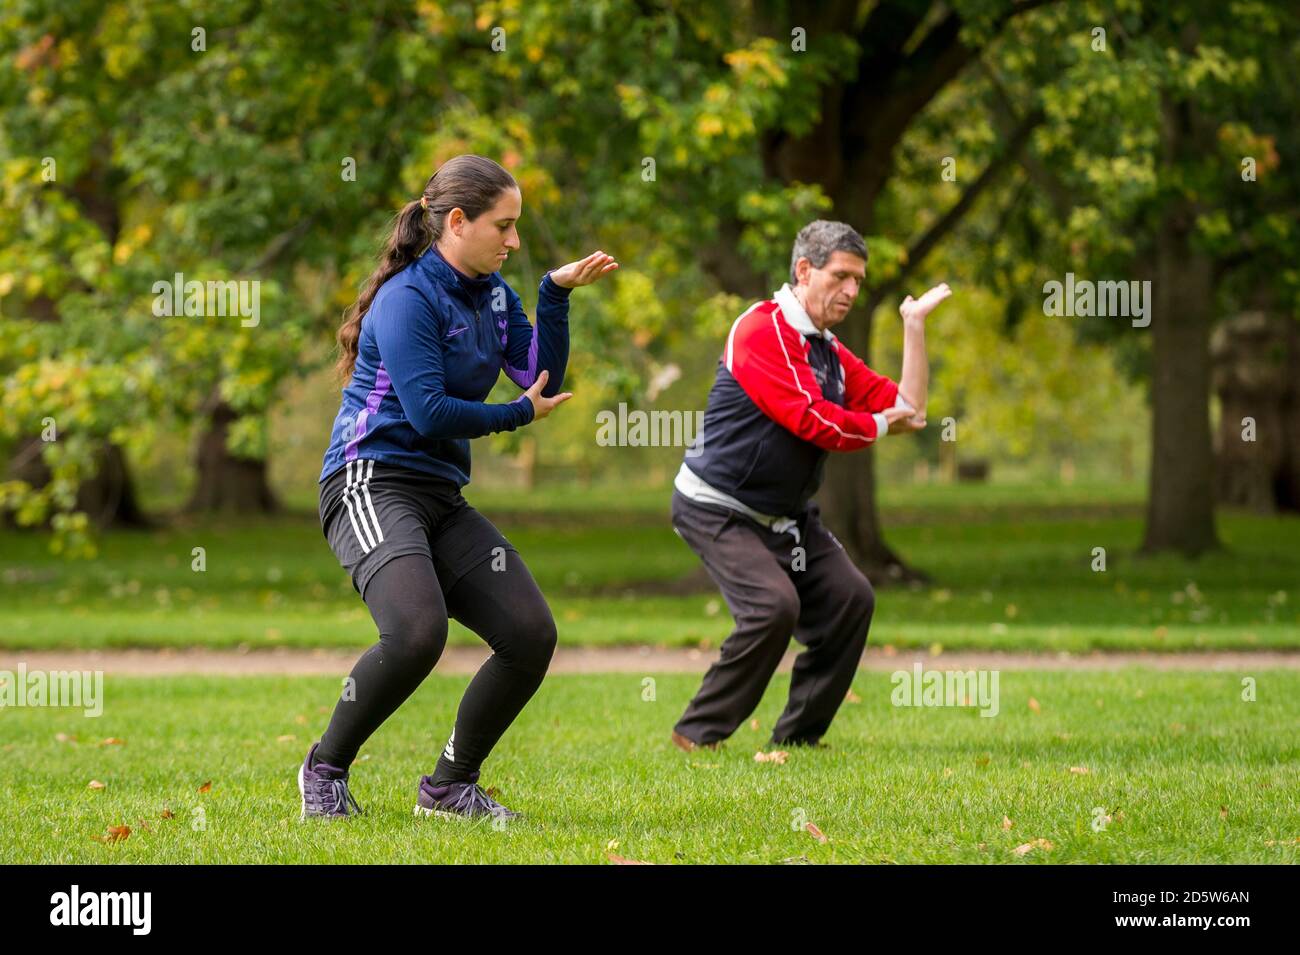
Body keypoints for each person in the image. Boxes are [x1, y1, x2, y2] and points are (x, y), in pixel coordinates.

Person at [299, 154, 617, 820]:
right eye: (504, 226)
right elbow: (429, 411)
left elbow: (540, 374)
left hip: (438, 493)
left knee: (530, 632)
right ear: (457, 221)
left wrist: (553, 295)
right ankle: (324, 770)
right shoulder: (408, 299)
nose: (515, 241)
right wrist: (518, 414)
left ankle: (448, 786)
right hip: (368, 479)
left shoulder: (495, 296)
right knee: (417, 632)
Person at [669, 219, 949, 751]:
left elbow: (910, 408)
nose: (850, 291)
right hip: (717, 507)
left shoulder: (828, 351)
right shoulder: (761, 330)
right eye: (840, 276)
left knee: (851, 599)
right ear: (804, 270)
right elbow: (814, 421)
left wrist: (914, 325)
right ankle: (697, 735)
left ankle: (797, 739)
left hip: (787, 516)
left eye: (859, 282)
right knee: (773, 607)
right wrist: (885, 424)